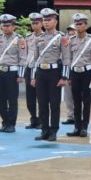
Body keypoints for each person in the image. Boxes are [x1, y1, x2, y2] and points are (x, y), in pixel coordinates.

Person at [31, 8, 70, 141]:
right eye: (44, 20)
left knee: (54, 103)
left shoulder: (61, 37)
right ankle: (44, 130)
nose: (46, 23)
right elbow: (35, 59)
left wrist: (64, 77)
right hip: (41, 72)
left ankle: (53, 130)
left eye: (49, 20)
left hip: (54, 73)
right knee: (42, 103)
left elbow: (66, 58)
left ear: (55, 21)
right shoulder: (39, 38)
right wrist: (33, 76)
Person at [0, 14, 27, 132]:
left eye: (8, 25)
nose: (6, 28)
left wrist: (21, 75)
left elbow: (23, 58)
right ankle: (5, 121)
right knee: (0, 100)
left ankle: (11, 124)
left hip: (12, 73)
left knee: (12, 100)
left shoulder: (19, 39)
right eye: (4, 25)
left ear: (14, 26)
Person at [67, 13, 91, 138]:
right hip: (75, 72)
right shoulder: (71, 40)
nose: (78, 26)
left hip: (87, 72)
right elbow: (69, 58)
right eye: (76, 24)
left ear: (86, 25)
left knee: (86, 100)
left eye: (80, 24)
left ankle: (84, 127)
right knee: (76, 100)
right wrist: (69, 76)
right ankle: (77, 127)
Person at [24, 12, 44, 129]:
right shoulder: (28, 37)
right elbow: (25, 53)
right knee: (30, 98)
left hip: (40, 68)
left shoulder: (45, 37)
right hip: (29, 68)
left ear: (41, 23)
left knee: (41, 97)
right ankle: (33, 119)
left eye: (36, 23)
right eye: (32, 23)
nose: (34, 25)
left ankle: (42, 120)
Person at [63, 23, 77, 126]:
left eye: (73, 32)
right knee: (68, 96)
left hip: (78, 71)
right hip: (68, 71)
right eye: (69, 32)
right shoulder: (65, 43)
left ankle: (78, 116)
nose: (71, 34)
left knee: (78, 96)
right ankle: (70, 116)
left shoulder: (82, 42)